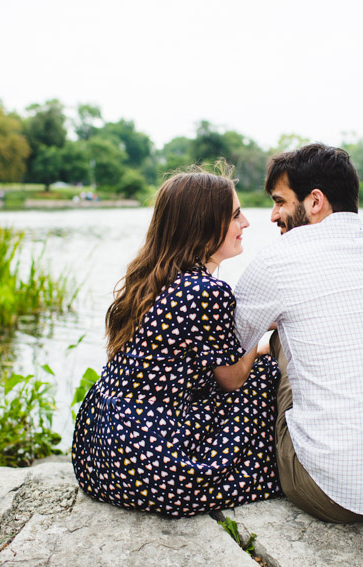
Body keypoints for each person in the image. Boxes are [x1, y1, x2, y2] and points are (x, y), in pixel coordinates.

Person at [234, 143, 363, 522]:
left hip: (334, 493)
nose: (272, 215)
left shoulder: (279, 259)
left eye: (280, 202)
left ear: (315, 201)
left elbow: (233, 347)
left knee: (282, 337)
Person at [72, 165, 282, 518]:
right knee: (263, 379)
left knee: (254, 365)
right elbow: (231, 379)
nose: (246, 223)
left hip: (100, 451)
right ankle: (285, 469)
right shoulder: (208, 291)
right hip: (152, 462)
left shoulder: (149, 278)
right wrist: (261, 331)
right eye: (235, 214)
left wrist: (253, 345)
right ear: (202, 224)